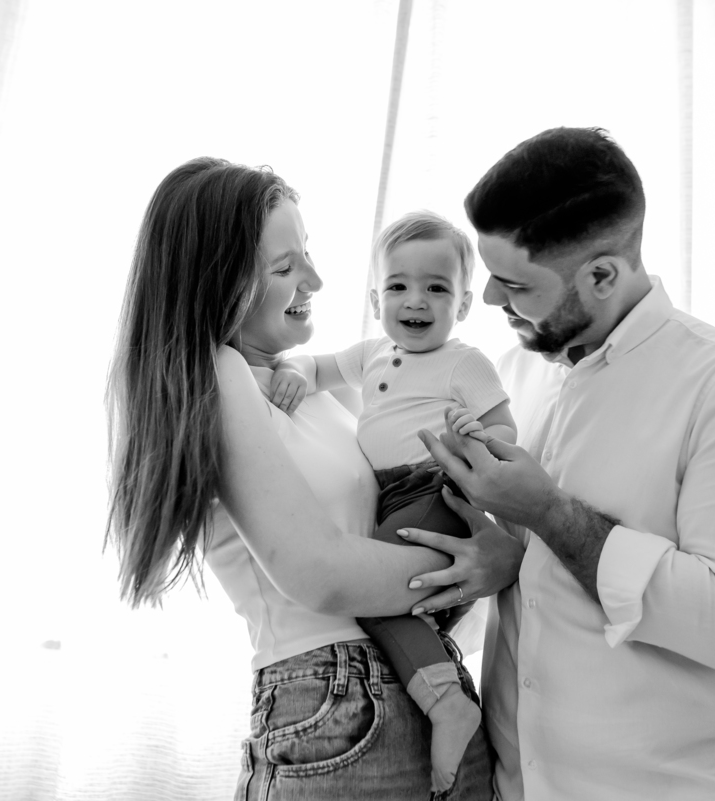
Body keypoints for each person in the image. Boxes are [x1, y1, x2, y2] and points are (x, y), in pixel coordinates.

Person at [405, 128, 715, 800]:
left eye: (515, 283)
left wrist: (547, 513)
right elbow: (541, 600)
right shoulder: (510, 379)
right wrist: (506, 559)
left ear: (602, 276)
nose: (492, 299)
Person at [104, 158, 516, 800]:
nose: (317, 280)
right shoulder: (216, 375)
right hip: (336, 694)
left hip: (422, 683)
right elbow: (321, 572)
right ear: (220, 282)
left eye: (309, 255)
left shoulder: (323, 392)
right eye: (284, 267)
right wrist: (487, 567)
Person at [268, 210, 517, 792]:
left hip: (435, 483)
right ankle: (439, 686)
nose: (416, 301)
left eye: (437, 289)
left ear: (463, 305)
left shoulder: (465, 363)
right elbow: (320, 367)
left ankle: (447, 704)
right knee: (402, 605)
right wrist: (295, 370)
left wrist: (475, 436)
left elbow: (506, 431)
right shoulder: (373, 353)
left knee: (377, 593)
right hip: (394, 496)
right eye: (399, 286)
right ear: (376, 298)